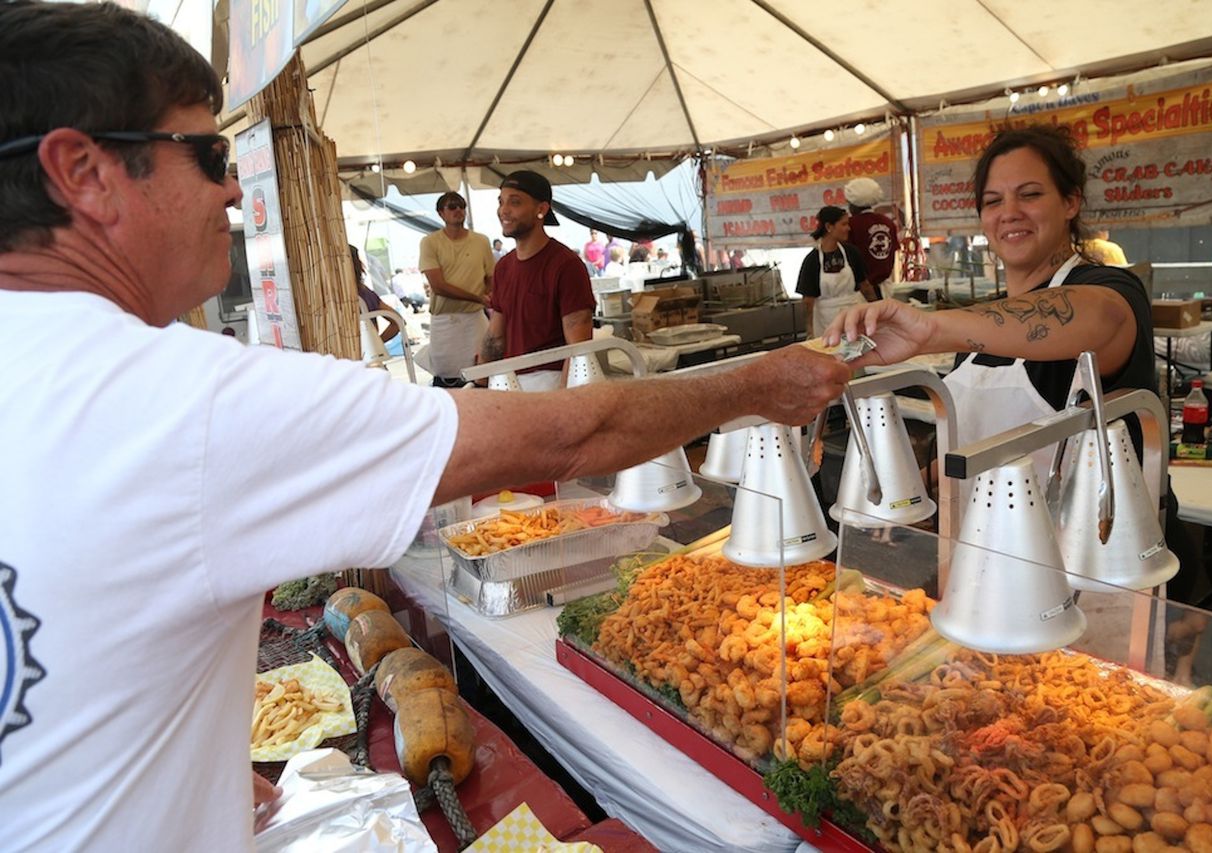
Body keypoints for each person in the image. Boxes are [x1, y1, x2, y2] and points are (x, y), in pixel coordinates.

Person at [0, 5, 854, 849]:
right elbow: (574, 436)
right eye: (208, 153)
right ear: (84, 171)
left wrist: (187, 767)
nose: (229, 188)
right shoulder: (183, 405)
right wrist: (761, 383)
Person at [826, 125, 1200, 606]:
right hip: (996, 568)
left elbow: (1101, 318)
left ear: (1070, 203)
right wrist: (926, 480)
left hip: (1098, 574)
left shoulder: (1108, 289)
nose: (1009, 214)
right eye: (993, 201)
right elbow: (987, 441)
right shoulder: (978, 330)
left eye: (1030, 194)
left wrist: (931, 329)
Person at [481, 170, 598, 390]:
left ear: (541, 209)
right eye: (501, 202)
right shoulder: (503, 267)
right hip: (508, 381)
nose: (503, 210)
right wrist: (478, 382)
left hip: (549, 382)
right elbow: (496, 336)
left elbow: (579, 348)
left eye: (514, 202)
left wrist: (561, 401)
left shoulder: (566, 265)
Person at [418, 191, 494, 388]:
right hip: (445, 321)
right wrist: (478, 298)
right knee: (446, 380)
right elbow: (438, 286)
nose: (458, 210)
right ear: (441, 213)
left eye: (461, 206)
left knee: (483, 375)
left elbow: (490, 277)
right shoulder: (430, 242)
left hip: (474, 319)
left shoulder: (481, 241)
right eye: (452, 206)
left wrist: (487, 296)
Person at [796, 205, 873, 338]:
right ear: (829, 227)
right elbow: (808, 301)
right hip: (826, 321)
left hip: (854, 314)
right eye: (844, 224)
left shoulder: (851, 253)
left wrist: (877, 309)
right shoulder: (812, 260)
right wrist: (810, 331)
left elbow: (865, 286)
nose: (848, 228)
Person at [844, 177, 898, 298]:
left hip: (861, 292)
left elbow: (849, 260)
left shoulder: (850, 225)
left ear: (853, 204)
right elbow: (891, 256)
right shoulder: (888, 223)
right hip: (886, 289)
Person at [351, 244, 405, 356]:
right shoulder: (365, 293)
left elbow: (398, 322)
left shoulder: (333, 299)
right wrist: (376, 344)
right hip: (371, 359)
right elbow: (398, 321)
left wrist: (375, 343)